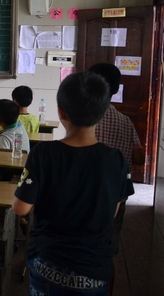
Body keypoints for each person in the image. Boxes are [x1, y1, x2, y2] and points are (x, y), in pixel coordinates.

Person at [12, 71, 134, 295]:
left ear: (61, 112)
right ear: (102, 113)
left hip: (47, 264)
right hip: (94, 270)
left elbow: (20, 208)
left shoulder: (43, 153)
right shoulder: (116, 159)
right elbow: (113, 212)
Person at [89, 62, 144, 271]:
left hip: (87, 193)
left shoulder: (86, 119)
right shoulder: (125, 121)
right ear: (115, 89)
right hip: (116, 197)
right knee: (108, 250)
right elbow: (139, 158)